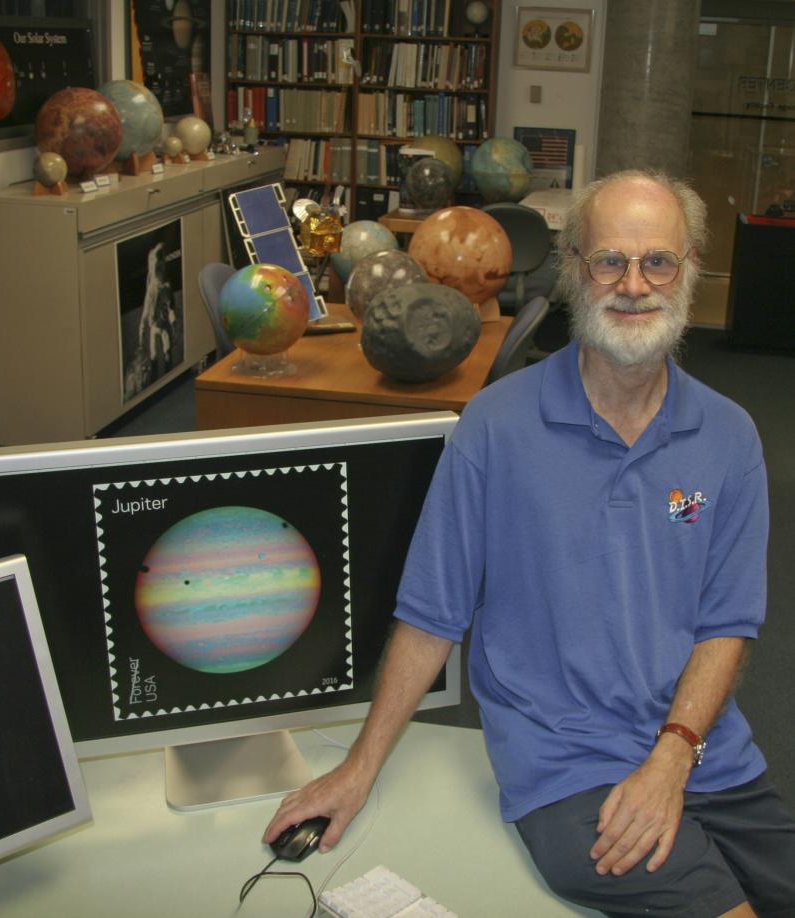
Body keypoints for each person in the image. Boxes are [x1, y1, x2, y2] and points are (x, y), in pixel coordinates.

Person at [263, 171, 795, 916]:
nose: (634, 284)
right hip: (569, 769)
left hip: (699, 746)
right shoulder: (495, 427)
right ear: (575, 270)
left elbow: (727, 623)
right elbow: (430, 618)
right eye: (609, 260)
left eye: (658, 262)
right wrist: (358, 768)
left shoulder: (729, 436)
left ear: (690, 271)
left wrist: (674, 756)